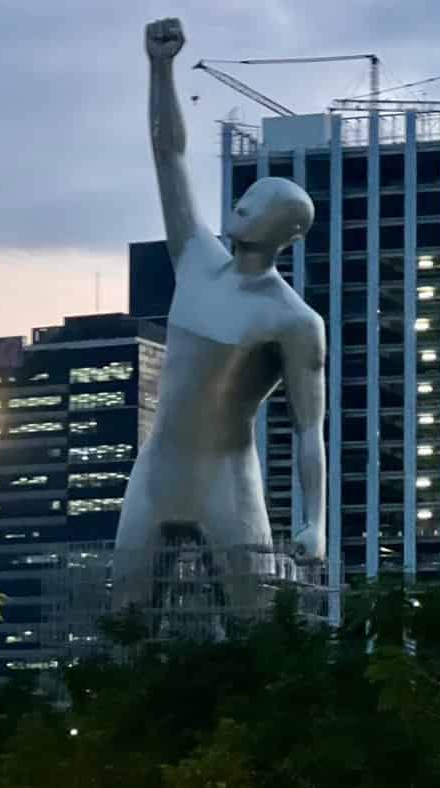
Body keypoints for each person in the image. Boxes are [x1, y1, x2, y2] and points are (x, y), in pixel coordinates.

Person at [113, 16, 326, 612]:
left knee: (254, 617)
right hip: (156, 470)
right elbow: (169, 156)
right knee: (124, 615)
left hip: (226, 478)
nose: (241, 204)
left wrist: (317, 522)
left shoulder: (294, 320)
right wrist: (161, 70)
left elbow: (310, 429)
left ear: (287, 232)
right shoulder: (196, 258)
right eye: (245, 196)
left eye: (258, 204)